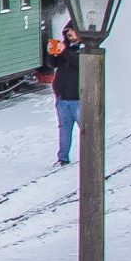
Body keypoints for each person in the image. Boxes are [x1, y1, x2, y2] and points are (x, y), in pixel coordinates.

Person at [49, 33, 82, 165]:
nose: (70, 35)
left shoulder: (85, 48)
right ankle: (62, 158)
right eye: (68, 32)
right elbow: (53, 64)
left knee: (86, 129)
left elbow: (81, 63)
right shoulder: (65, 48)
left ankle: (91, 155)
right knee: (64, 129)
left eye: (72, 31)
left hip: (78, 100)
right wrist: (52, 53)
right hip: (62, 98)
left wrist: (64, 51)